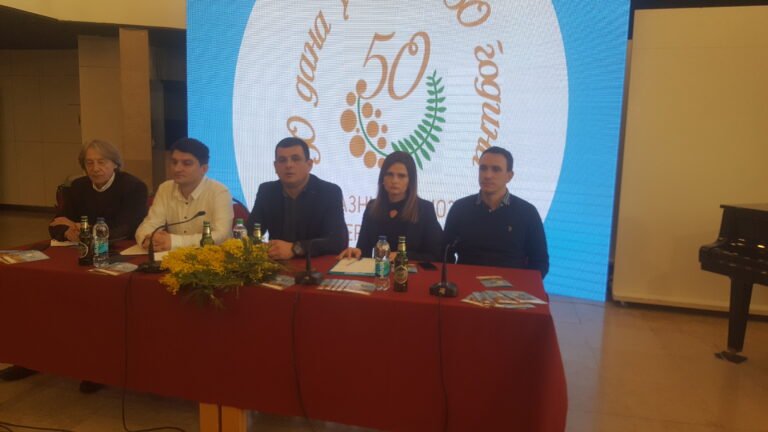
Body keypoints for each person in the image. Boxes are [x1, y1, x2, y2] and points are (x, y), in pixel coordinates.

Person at [444, 146, 549, 277]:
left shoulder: (527, 213)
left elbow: (540, 262)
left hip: (511, 287)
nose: (487, 175)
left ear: (509, 176)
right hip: (465, 283)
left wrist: (521, 285)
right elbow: (445, 254)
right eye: (483, 168)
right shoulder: (460, 208)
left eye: (496, 169)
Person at [246, 137, 347, 259]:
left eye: (295, 159)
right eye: (282, 160)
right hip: (277, 264)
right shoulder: (267, 191)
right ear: (275, 166)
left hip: (314, 264)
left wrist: (295, 249)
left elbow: (338, 242)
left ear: (309, 165)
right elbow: (250, 233)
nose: (288, 165)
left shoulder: (329, 192)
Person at [337, 151, 442, 262]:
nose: (394, 180)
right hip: (379, 270)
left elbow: (435, 256)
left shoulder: (425, 209)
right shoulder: (372, 207)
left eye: (401, 176)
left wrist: (403, 256)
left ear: (410, 181)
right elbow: (364, 249)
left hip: (407, 271)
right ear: (382, 178)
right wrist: (356, 252)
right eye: (389, 174)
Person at [135, 138, 233, 251]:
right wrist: (148, 239)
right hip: (172, 256)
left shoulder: (219, 191)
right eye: (174, 162)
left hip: (210, 256)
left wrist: (174, 242)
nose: (177, 169)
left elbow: (221, 235)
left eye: (187, 163)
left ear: (204, 169)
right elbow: (150, 223)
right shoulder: (165, 188)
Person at [48, 139, 148, 243]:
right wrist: (67, 232)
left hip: (120, 247)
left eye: (101, 162)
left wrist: (81, 227)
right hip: (82, 246)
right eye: (89, 163)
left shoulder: (133, 187)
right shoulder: (78, 186)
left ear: (115, 164)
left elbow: (124, 229)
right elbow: (57, 222)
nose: (95, 168)